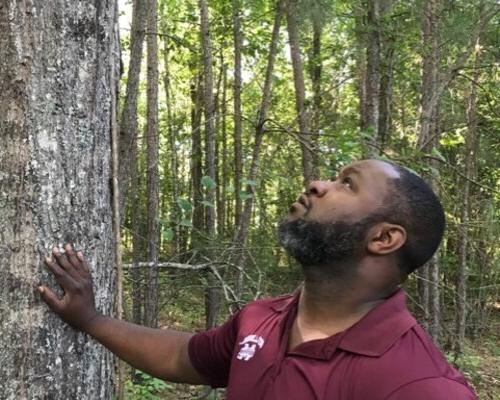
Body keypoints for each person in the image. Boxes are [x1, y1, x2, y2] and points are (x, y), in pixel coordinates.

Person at [39, 159, 478, 400]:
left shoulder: (420, 386)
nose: (317, 184)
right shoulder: (262, 320)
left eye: (347, 184)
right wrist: (91, 320)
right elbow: (181, 357)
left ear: (383, 238)